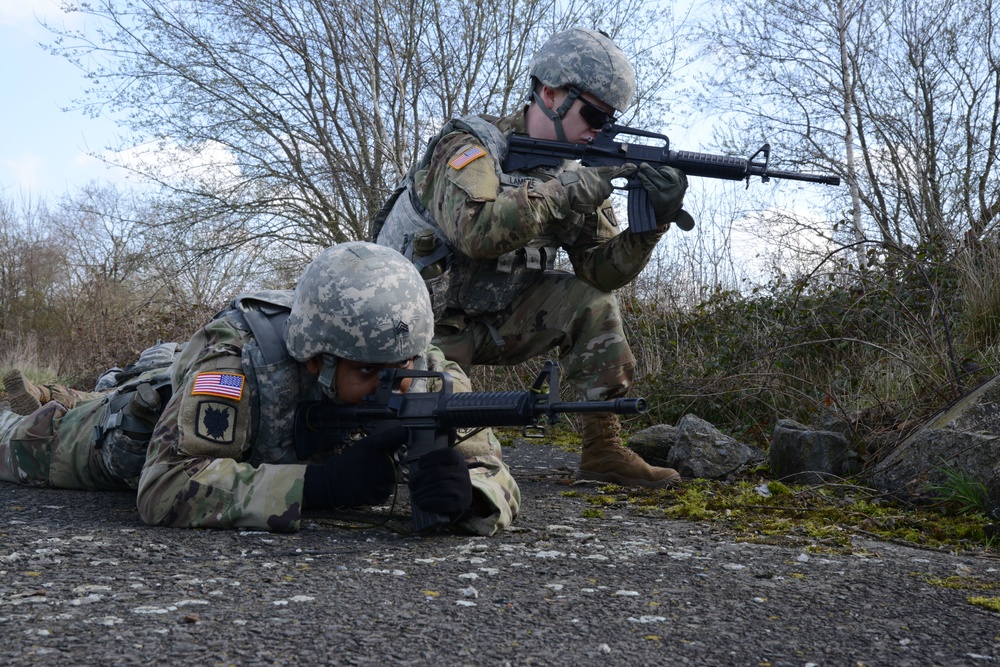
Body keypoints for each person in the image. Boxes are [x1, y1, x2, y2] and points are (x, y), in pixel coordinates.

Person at [0, 242, 520, 535]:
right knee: (34, 436)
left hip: (198, 393)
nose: (398, 384)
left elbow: (491, 471)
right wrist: (320, 487)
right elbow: (164, 486)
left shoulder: (418, 362)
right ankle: (61, 402)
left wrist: (470, 498)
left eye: (404, 366)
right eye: (370, 374)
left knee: (156, 372)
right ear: (316, 358)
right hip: (124, 439)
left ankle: (82, 387)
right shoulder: (239, 359)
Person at [374, 28, 690, 488]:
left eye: (609, 120)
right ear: (549, 92)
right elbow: (477, 233)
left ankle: (604, 449)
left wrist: (649, 228)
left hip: (497, 322)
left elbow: (600, 270)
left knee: (593, 302)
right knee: (422, 459)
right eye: (592, 115)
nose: (598, 131)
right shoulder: (469, 146)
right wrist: (563, 193)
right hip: (415, 332)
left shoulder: (577, 170)